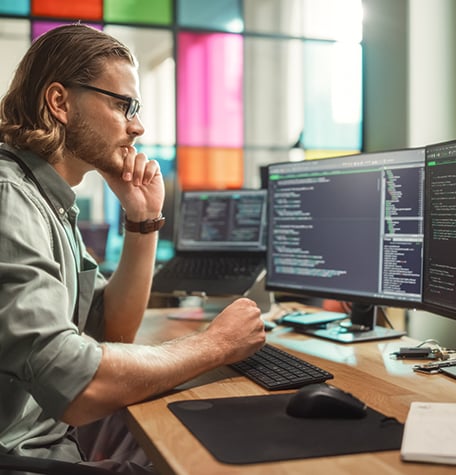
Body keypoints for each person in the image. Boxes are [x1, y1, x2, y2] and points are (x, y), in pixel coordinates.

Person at [0, 23, 266, 473]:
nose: (137, 126)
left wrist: (143, 221)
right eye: (123, 105)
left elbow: (111, 328)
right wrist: (214, 345)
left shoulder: (48, 200)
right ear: (60, 102)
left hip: (50, 439)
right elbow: (76, 385)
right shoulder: (10, 199)